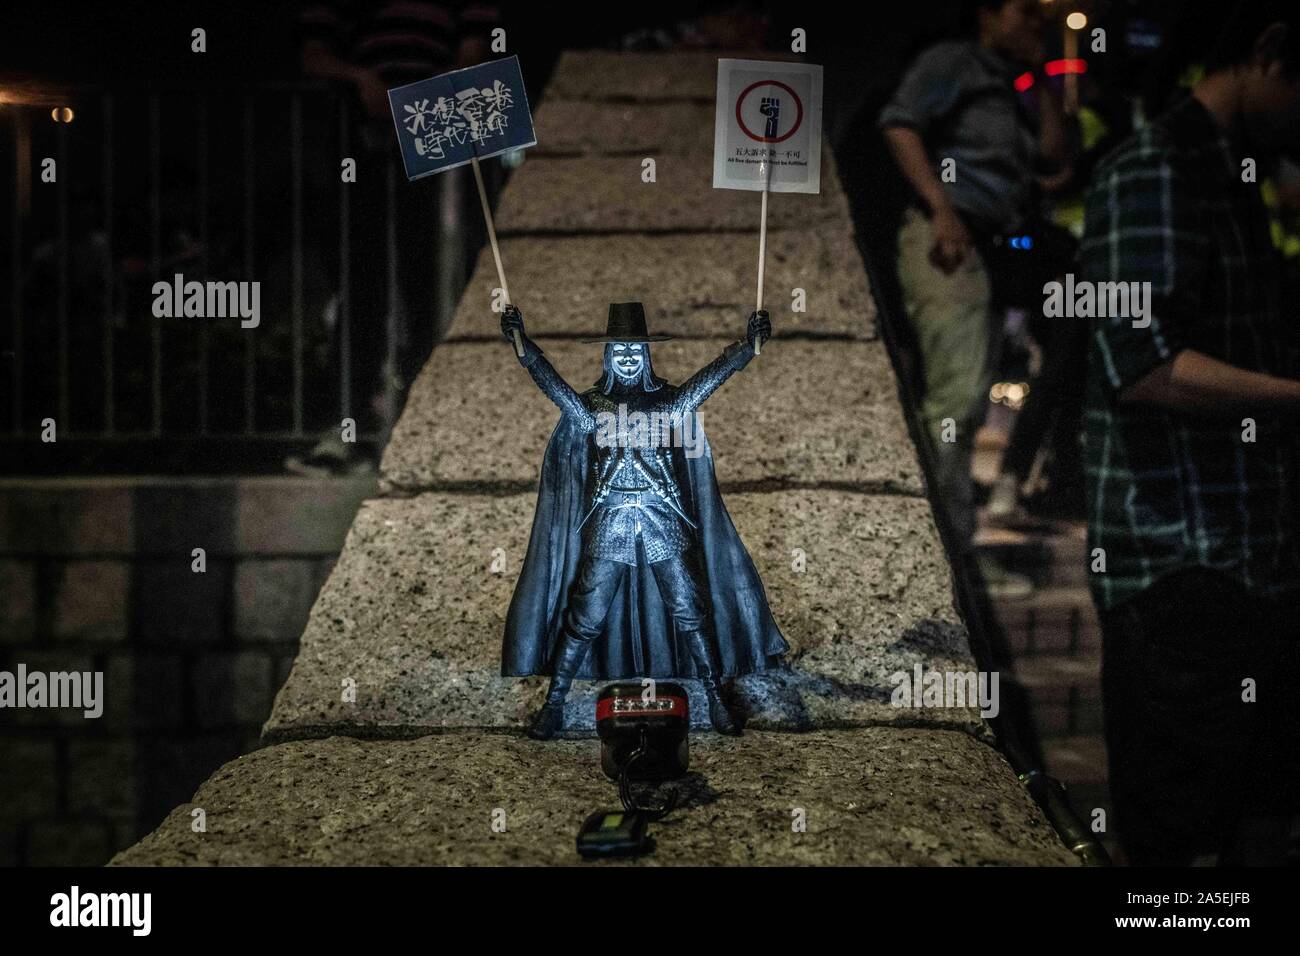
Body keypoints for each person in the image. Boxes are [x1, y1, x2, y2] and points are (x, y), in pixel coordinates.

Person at [1082, 1, 1300, 865]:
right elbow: (1144, 365)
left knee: (1255, 822)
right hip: (1180, 566)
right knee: (1178, 849)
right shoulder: (1155, 168)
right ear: (1270, 50)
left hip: (1249, 557)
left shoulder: (1231, 171)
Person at [498, 304, 788, 739]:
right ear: (608, 354)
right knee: (585, 617)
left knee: (690, 610)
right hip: (610, 522)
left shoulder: (667, 403)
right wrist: (524, 347)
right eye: (620, 348)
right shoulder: (592, 407)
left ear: (647, 355)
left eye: (636, 348)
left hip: (662, 522)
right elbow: (555, 389)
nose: (629, 355)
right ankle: (554, 703)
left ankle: (714, 697)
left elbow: (709, 381)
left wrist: (747, 347)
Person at [879, 0, 1067, 594]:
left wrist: (1047, 75)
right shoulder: (954, 61)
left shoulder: (1017, 84)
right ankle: (942, 564)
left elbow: (1055, 158)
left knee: (968, 401)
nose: (1037, 21)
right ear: (987, 13)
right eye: (1025, 11)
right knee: (954, 404)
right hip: (948, 239)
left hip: (990, 247)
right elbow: (899, 122)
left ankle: (950, 559)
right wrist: (941, 209)